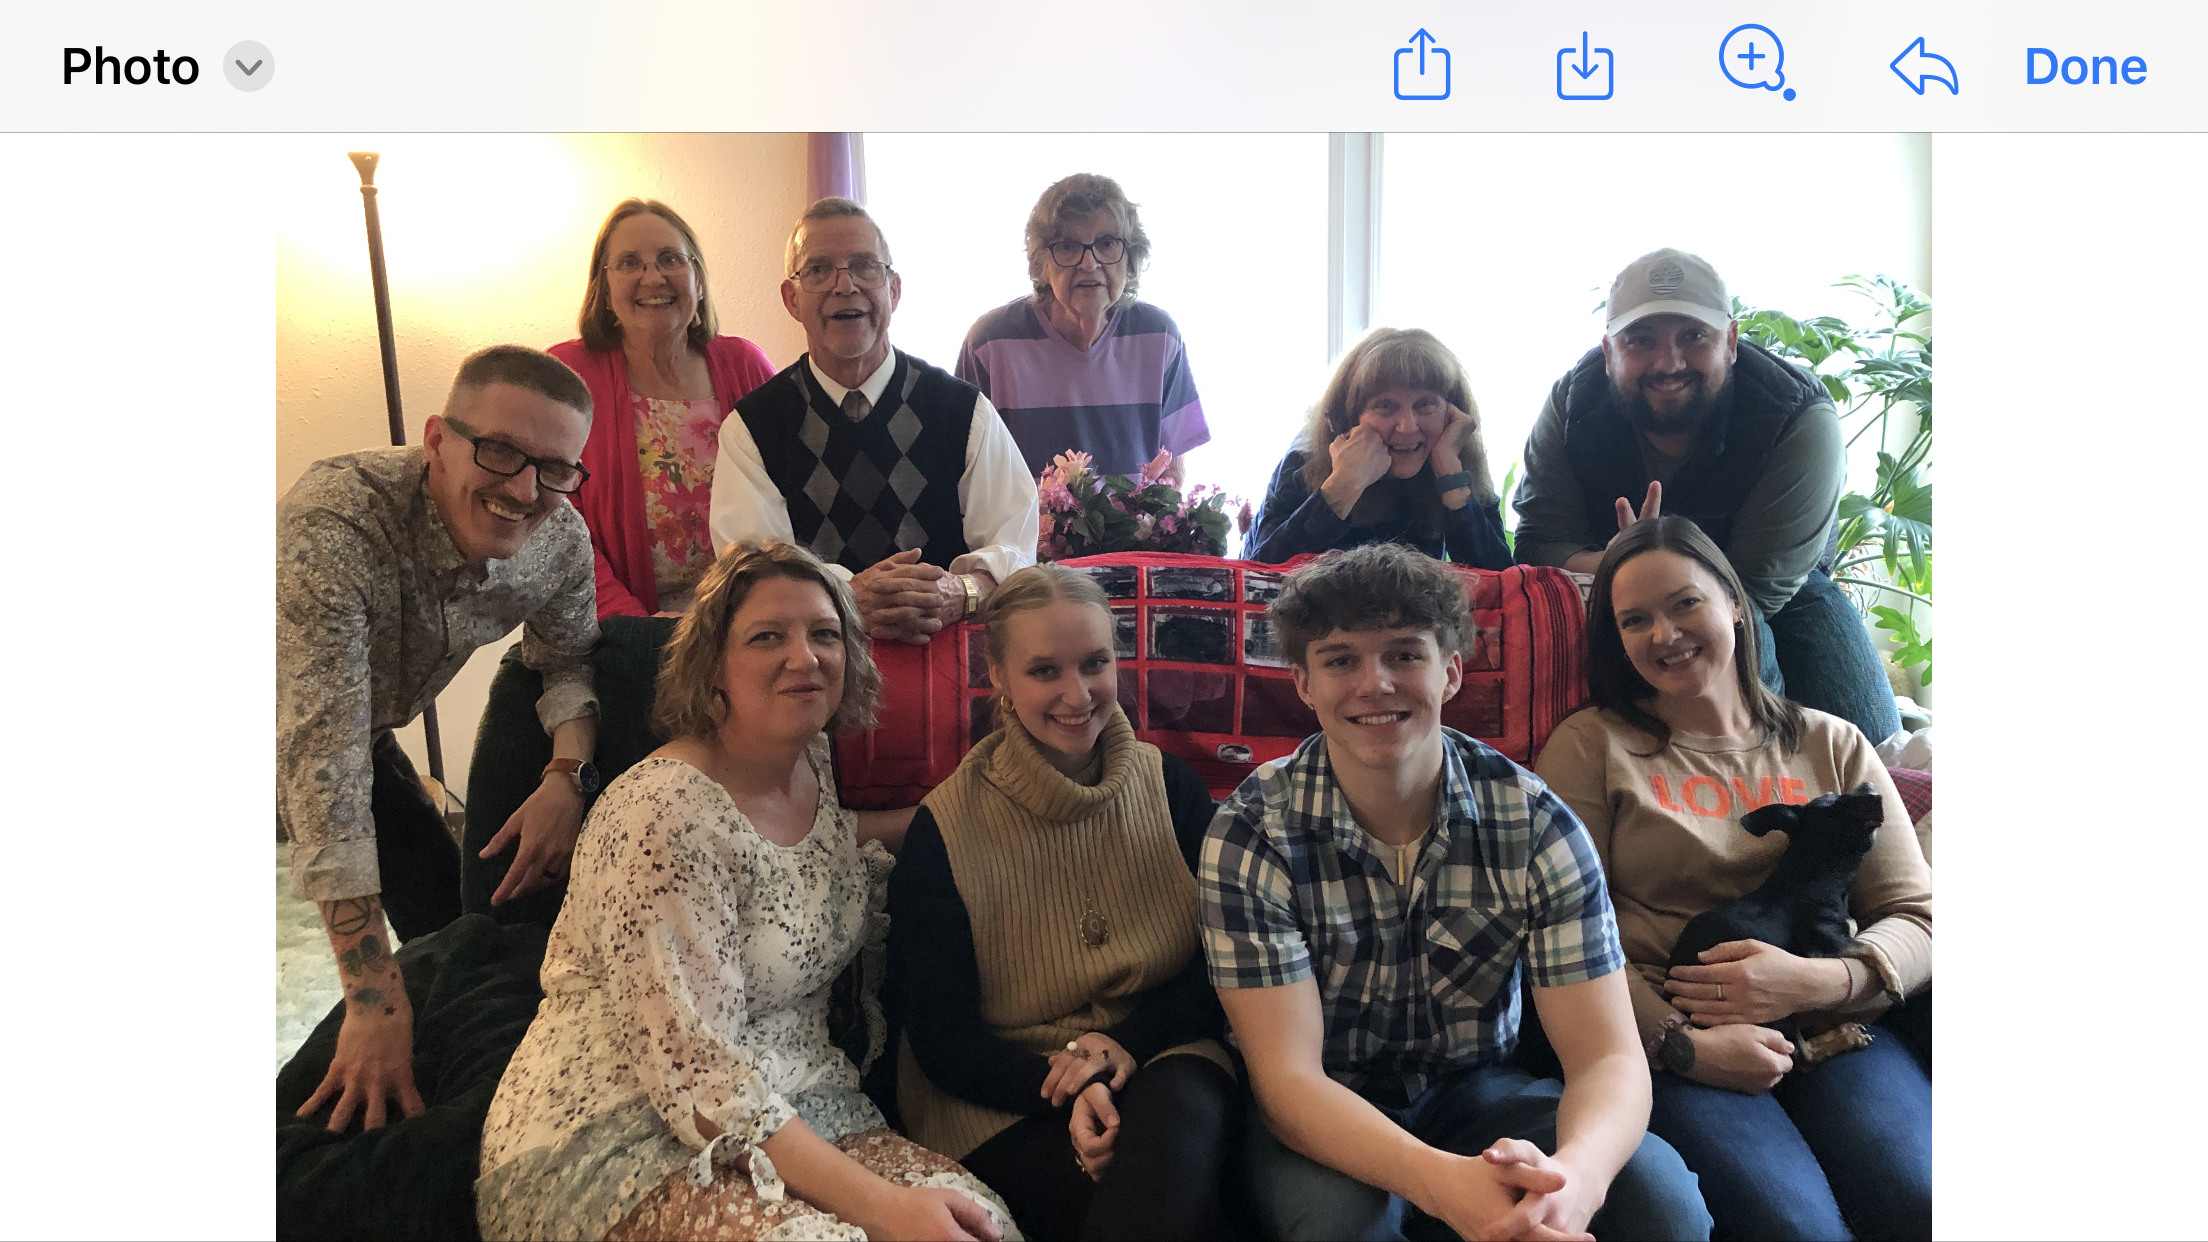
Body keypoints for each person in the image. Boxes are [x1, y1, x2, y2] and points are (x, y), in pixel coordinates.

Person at [477, 541, 1013, 1242]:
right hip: (620, 1134)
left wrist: (983, 805)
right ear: (714, 667)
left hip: (808, 1103)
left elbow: (825, 844)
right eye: (768, 637)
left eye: (824, 634)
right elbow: (694, 1076)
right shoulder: (662, 813)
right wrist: (884, 1209)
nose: (805, 657)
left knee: (982, 1226)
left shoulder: (808, 759)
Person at [1200, 542, 1710, 1242]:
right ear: (1303, 683)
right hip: (1328, 1102)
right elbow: (1289, 1084)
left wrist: (1575, 1186)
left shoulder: (1535, 821)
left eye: (1405, 654)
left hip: (1480, 1091)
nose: (1373, 683)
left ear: (1451, 672)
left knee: (1665, 1204)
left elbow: (1608, 1056)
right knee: (1341, 1225)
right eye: (1341, 659)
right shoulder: (1252, 831)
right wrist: (1443, 1185)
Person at [1532, 516, 1931, 1241]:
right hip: (1672, 1043)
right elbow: (1562, 933)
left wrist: (1820, 983)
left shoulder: (1831, 742)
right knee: (1795, 1229)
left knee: (1922, 1198)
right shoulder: (1590, 746)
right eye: (1635, 619)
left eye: (1686, 603)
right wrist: (1678, 1043)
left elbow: (1918, 915)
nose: (1664, 633)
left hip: (1838, 1027)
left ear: (1736, 606)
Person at [279, 345, 601, 1134]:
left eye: (555, 469)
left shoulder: (559, 540)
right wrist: (370, 998)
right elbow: (323, 772)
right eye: (499, 452)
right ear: (436, 440)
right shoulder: (336, 522)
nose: (525, 490)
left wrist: (566, 772)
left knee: (446, 942)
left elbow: (566, 660)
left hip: (360, 733)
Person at [888, 565, 1238, 1241]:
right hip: (998, 1091)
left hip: (1161, 1047)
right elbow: (941, 1036)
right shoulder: (944, 827)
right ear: (1000, 678)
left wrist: (1120, 1049)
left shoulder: (1174, 789)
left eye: (1096, 664)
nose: (1077, 695)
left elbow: (1221, 969)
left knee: (1175, 1141)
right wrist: (1073, 1087)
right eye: (1045, 671)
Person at [1512, 248, 1901, 744]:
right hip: (1604, 590)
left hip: (1773, 593)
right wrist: (1617, 565)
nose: (1668, 362)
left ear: (1732, 341)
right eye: (1640, 340)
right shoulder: (1569, 405)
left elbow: (1756, 589)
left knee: (1871, 746)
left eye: (1693, 336)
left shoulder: (1799, 418)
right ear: (1609, 352)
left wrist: (1656, 569)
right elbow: (1538, 545)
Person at [710, 197, 1037, 646]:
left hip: (953, 664)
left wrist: (960, 592)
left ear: (894, 289)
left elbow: (1017, 546)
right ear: (792, 299)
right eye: (819, 270)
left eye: (864, 266)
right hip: (819, 675)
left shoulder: (963, 412)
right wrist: (846, 595)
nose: (845, 286)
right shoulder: (752, 429)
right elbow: (748, 571)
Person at [549, 198, 779, 619]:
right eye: (630, 263)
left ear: (699, 280)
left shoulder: (746, 366)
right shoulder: (567, 376)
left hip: (751, 621)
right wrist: (633, 623)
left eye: (670, 259)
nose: (652, 278)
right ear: (603, 286)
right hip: (618, 626)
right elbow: (554, 523)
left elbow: (793, 496)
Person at [954, 173, 1209, 481]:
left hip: (1134, 530)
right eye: (1067, 246)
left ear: (1130, 260)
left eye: (1107, 243)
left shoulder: (1160, 336)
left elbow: (1172, 471)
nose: (1089, 263)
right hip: (1024, 530)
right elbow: (962, 469)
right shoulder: (990, 343)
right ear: (1040, 264)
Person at [1244, 328, 1510, 569]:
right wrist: (1344, 485)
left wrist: (1452, 481)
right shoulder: (1304, 460)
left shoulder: (1454, 455)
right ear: (1345, 418)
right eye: (1385, 405)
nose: (1407, 426)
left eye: (1425, 404)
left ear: (1453, 412)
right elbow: (1260, 574)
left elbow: (1505, 585)